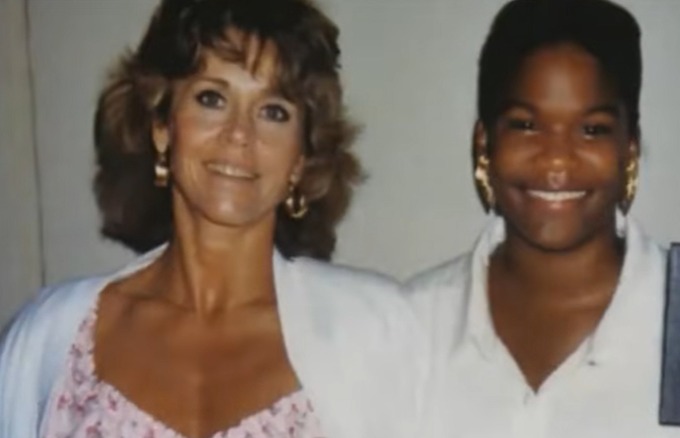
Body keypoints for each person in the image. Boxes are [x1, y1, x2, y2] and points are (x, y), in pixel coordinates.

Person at [0, 0, 422, 437]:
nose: (240, 133)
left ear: (301, 157)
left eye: (273, 111)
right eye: (212, 99)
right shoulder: (52, 337)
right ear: (162, 126)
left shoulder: (375, 332)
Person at [407, 0, 680, 436]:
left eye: (592, 129)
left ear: (629, 148)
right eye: (525, 125)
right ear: (484, 143)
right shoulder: (410, 324)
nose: (556, 161)